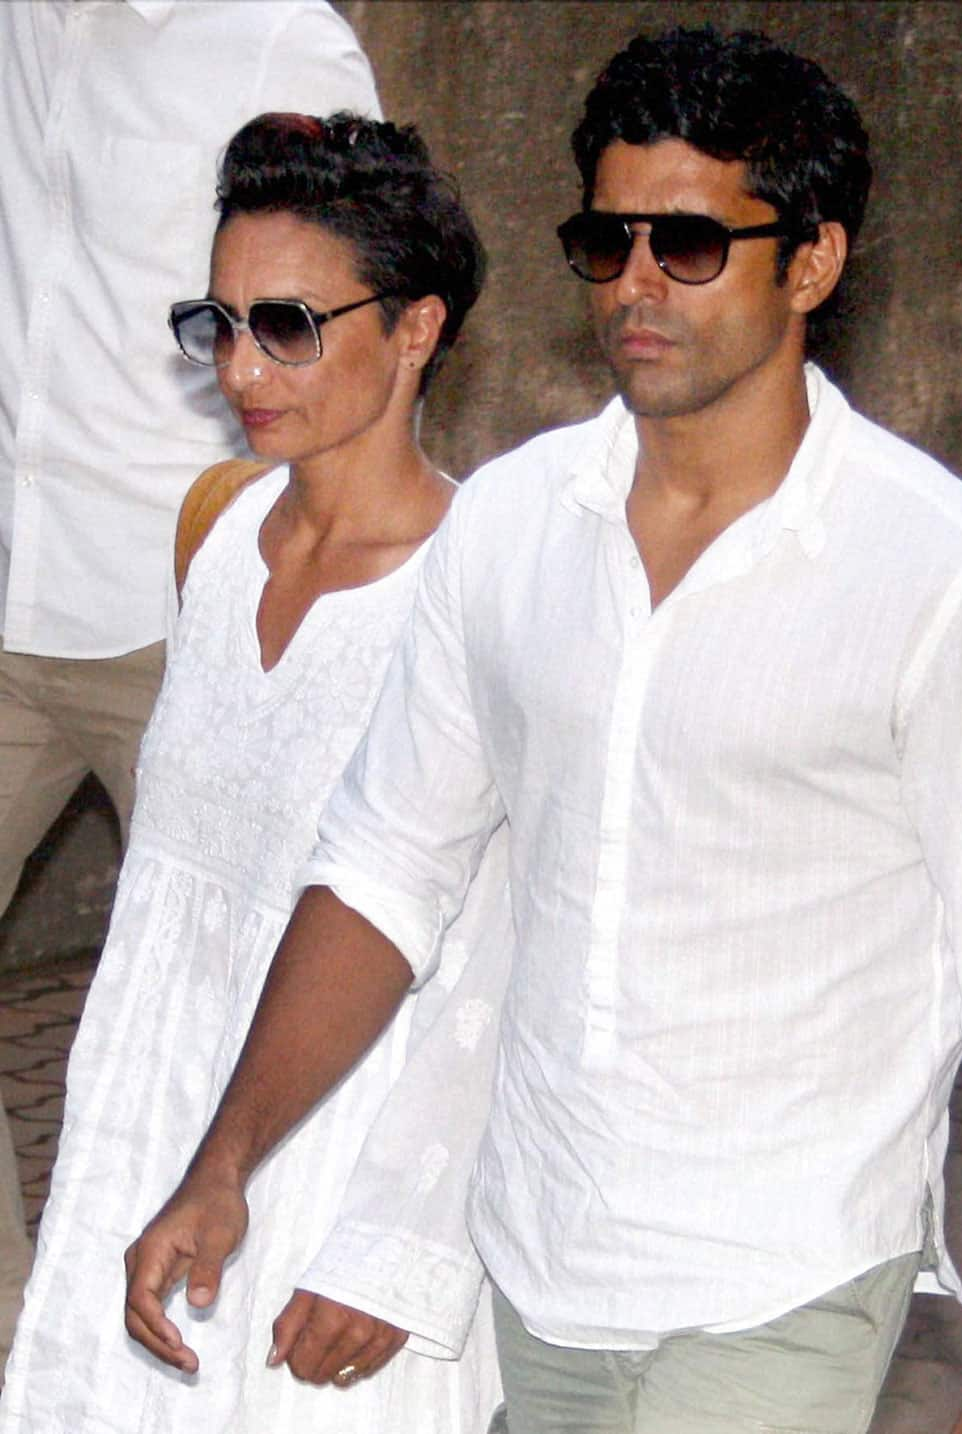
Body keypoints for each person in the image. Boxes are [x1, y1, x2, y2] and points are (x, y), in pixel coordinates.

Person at [122, 25, 962, 1434]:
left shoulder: (940, 573)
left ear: (815, 262)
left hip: (782, 1273)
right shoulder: (514, 529)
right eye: (609, 239)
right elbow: (388, 866)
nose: (638, 283)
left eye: (692, 244)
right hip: (543, 1266)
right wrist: (225, 1161)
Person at [0, 112, 508, 1433]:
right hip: (152, 1113)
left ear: (416, 328)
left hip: (344, 1152)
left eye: (286, 325)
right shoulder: (214, 528)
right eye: (215, 322)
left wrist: (404, 1241)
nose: (239, 365)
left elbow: (490, 960)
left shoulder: (481, 590)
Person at [0, 0, 380, 1368]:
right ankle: (27, 1353)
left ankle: (264, 1353)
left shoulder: (274, 38)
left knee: (258, 1011)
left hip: (193, 596)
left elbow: (371, 314)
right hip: (12, 581)